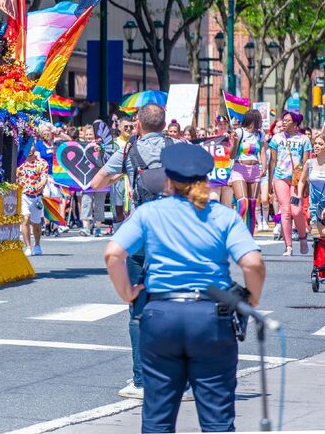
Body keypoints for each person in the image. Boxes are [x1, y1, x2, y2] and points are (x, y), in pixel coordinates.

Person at [104, 143, 265, 433]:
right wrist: (251, 299)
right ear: (205, 179)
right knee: (217, 418)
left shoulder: (150, 213)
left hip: (161, 315)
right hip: (210, 317)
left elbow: (113, 253)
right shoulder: (222, 215)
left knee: (158, 417)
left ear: (168, 180)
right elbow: (252, 263)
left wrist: (127, 292)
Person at [89, 103, 174, 401]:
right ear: (164, 125)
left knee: (138, 309)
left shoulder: (126, 152)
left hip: (141, 233)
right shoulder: (179, 147)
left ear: (138, 124)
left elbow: (96, 183)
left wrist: (119, 176)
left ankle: (141, 380)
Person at [268, 111, 312, 256]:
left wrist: (305, 183)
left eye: (287, 120)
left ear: (295, 123)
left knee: (297, 211)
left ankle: (303, 237)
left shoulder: (304, 139)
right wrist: (270, 182)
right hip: (280, 178)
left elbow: (306, 163)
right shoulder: (276, 138)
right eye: (283, 120)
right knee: (285, 212)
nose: (284, 123)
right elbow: (272, 161)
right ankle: (288, 246)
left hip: (296, 180)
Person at [230, 109, 265, 235]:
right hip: (240, 169)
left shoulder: (260, 135)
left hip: (255, 170)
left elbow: (261, 151)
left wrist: (264, 167)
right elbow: (231, 155)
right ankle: (236, 233)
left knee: (251, 206)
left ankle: (249, 238)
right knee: (243, 204)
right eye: (260, 119)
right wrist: (234, 143)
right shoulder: (239, 132)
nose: (261, 121)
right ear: (253, 120)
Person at [18, 145, 47, 256]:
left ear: (35, 147)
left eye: (31, 146)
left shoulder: (42, 163)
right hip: (23, 195)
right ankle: (28, 247)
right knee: (25, 219)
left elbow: (44, 176)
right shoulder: (19, 163)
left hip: (36, 197)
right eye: (27, 147)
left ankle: (37, 244)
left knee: (36, 223)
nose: (29, 149)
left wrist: (42, 183)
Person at [79, 123, 107, 237]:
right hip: (86, 180)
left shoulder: (102, 146)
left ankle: (98, 228)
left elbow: (103, 163)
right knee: (86, 202)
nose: (89, 136)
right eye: (87, 134)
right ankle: (86, 227)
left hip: (101, 179)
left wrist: (99, 152)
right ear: (84, 136)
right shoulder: (80, 147)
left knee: (99, 203)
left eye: (91, 134)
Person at [303, 130, 325, 243]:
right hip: (315, 204)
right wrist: (299, 197)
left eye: (320, 144)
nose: (316, 146)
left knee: (324, 233)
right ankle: (320, 254)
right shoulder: (310, 163)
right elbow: (302, 181)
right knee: (317, 235)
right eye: (315, 143)